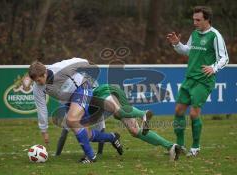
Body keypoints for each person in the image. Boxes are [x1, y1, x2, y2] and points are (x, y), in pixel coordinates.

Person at [28, 58, 123, 163]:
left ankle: (90, 156)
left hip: (82, 89)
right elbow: (41, 108)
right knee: (86, 134)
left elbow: (80, 61)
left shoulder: (60, 68)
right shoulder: (37, 88)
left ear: (44, 73)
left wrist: (88, 68)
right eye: (35, 81)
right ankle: (112, 137)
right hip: (69, 101)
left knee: (71, 120)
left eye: (38, 80)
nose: (37, 83)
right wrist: (44, 130)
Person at [54, 84, 182, 161]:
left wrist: (89, 155)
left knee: (117, 111)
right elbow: (90, 130)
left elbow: (92, 128)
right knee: (135, 131)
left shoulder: (77, 107)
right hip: (110, 97)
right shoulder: (78, 113)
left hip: (104, 91)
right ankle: (171, 146)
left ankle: (143, 113)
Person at [166, 6, 229, 156]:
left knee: (194, 114)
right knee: (178, 111)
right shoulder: (194, 33)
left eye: (198, 20)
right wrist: (176, 44)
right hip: (190, 78)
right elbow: (188, 51)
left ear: (207, 20)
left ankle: (195, 147)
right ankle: (180, 146)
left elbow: (224, 58)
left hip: (204, 80)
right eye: (194, 19)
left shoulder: (215, 36)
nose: (195, 22)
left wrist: (213, 68)